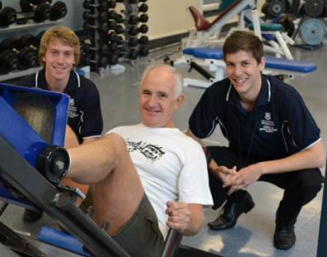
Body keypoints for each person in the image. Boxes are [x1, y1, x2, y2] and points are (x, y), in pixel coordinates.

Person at [47, 64, 213, 257]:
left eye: (162, 95)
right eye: (146, 93)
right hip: (94, 210)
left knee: (116, 146)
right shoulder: (119, 131)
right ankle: (36, 167)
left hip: (142, 237)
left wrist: (187, 220)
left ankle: (54, 163)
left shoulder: (189, 147)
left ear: (178, 101)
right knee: (63, 132)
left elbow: (196, 219)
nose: (151, 102)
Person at [186, 31, 326, 250]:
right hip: (239, 157)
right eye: (231, 64)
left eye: (245, 64)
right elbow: (190, 140)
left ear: (261, 63)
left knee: (310, 181)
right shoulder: (217, 94)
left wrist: (259, 168)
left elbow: (318, 156)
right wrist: (214, 169)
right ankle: (237, 199)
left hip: (282, 162)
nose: (237, 72)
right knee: (195, 161)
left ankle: (285, 221)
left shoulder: (285, 96)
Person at [16, 26, 103, 222]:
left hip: (72, 159)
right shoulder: (24, 88)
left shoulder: (88, 90)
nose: (61, 61)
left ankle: (71, 200)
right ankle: (34, 199)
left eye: (67, 54)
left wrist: (72, 170)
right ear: (43, 56)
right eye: (54, 53)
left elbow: (92, 144)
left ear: (74, 59)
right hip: (34, 156)